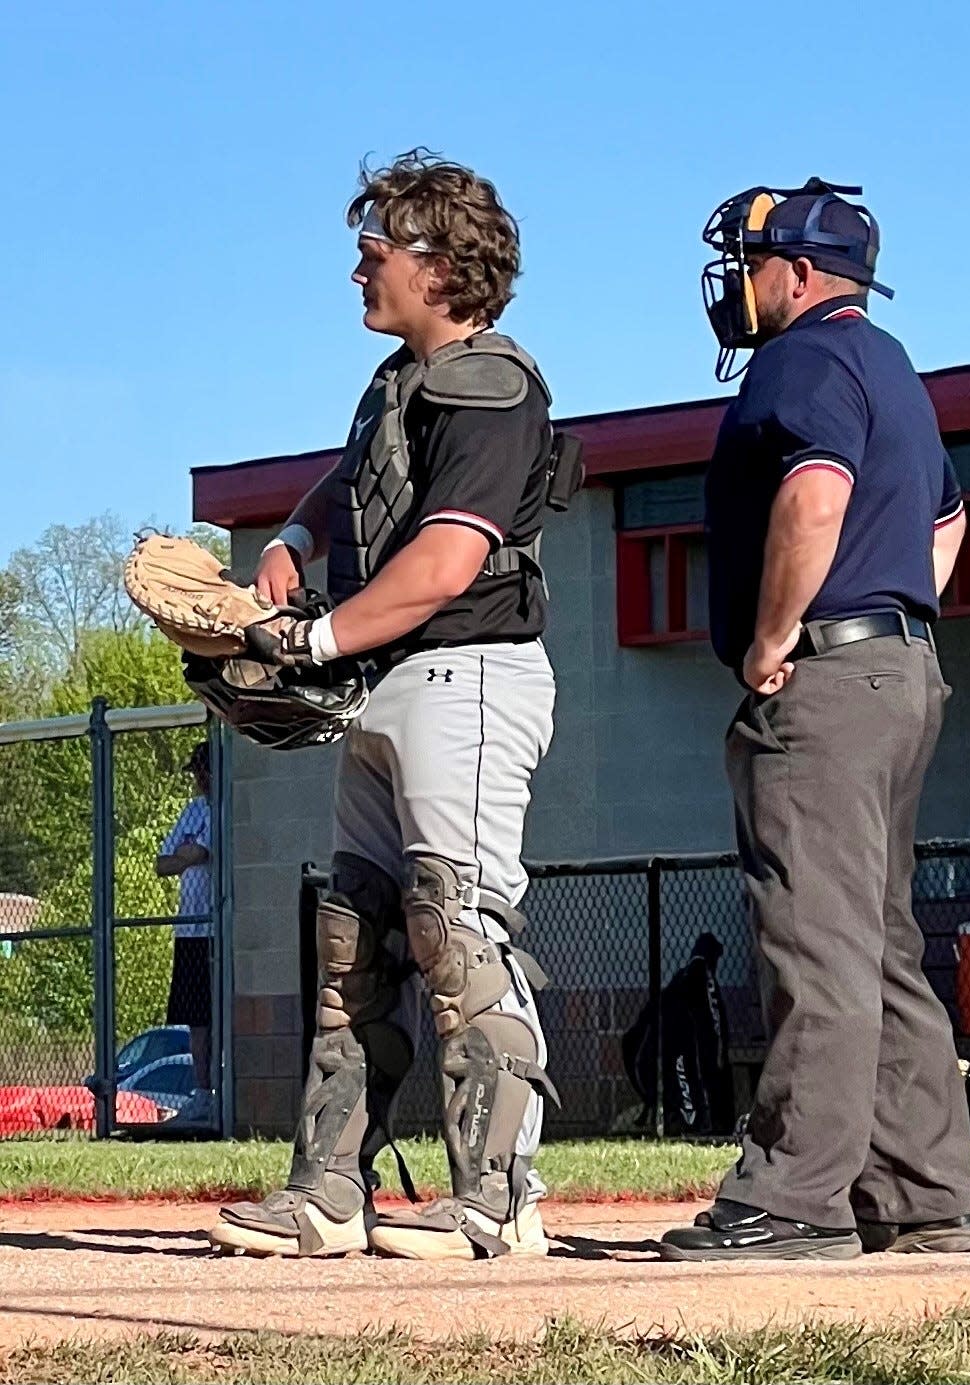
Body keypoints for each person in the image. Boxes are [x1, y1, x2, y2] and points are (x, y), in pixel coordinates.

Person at [210, 150, 560, 1261]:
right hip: (396, 678)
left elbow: (449, 557)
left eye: (377, 251)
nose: (359, 270)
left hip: (469, 671)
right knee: (356, 934)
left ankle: (500, 1198)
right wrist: (292, 536)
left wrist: (315, 634)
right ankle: (327, 1192)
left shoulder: (492, 383)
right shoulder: (399, 382)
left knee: (455, 925)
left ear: (442, 265)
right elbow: (353, 474)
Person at [661, 178, 970, 1261]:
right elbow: (947, 520)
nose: (737, 285)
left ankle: (791, 1196)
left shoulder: (798, 358)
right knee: (880, 939)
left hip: (829, 678)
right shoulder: (887, 363)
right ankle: (924, 1189)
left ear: (796, 272)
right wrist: (895, 615)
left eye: (749, 263)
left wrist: (774, 637)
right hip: (900, 667)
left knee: (816, 934)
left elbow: (815, 491)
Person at [155, 740, 213, 1124]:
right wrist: (185, 858)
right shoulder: (193, 810)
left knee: (219, 1011)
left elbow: (200, 854)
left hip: (217, 927)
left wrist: (187, 857)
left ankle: (220, 1090)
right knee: (196, 1017)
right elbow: (164, 863)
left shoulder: (225, 808)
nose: (196, 778)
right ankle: (202, 1091)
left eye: (199, 770)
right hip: (189, 930)